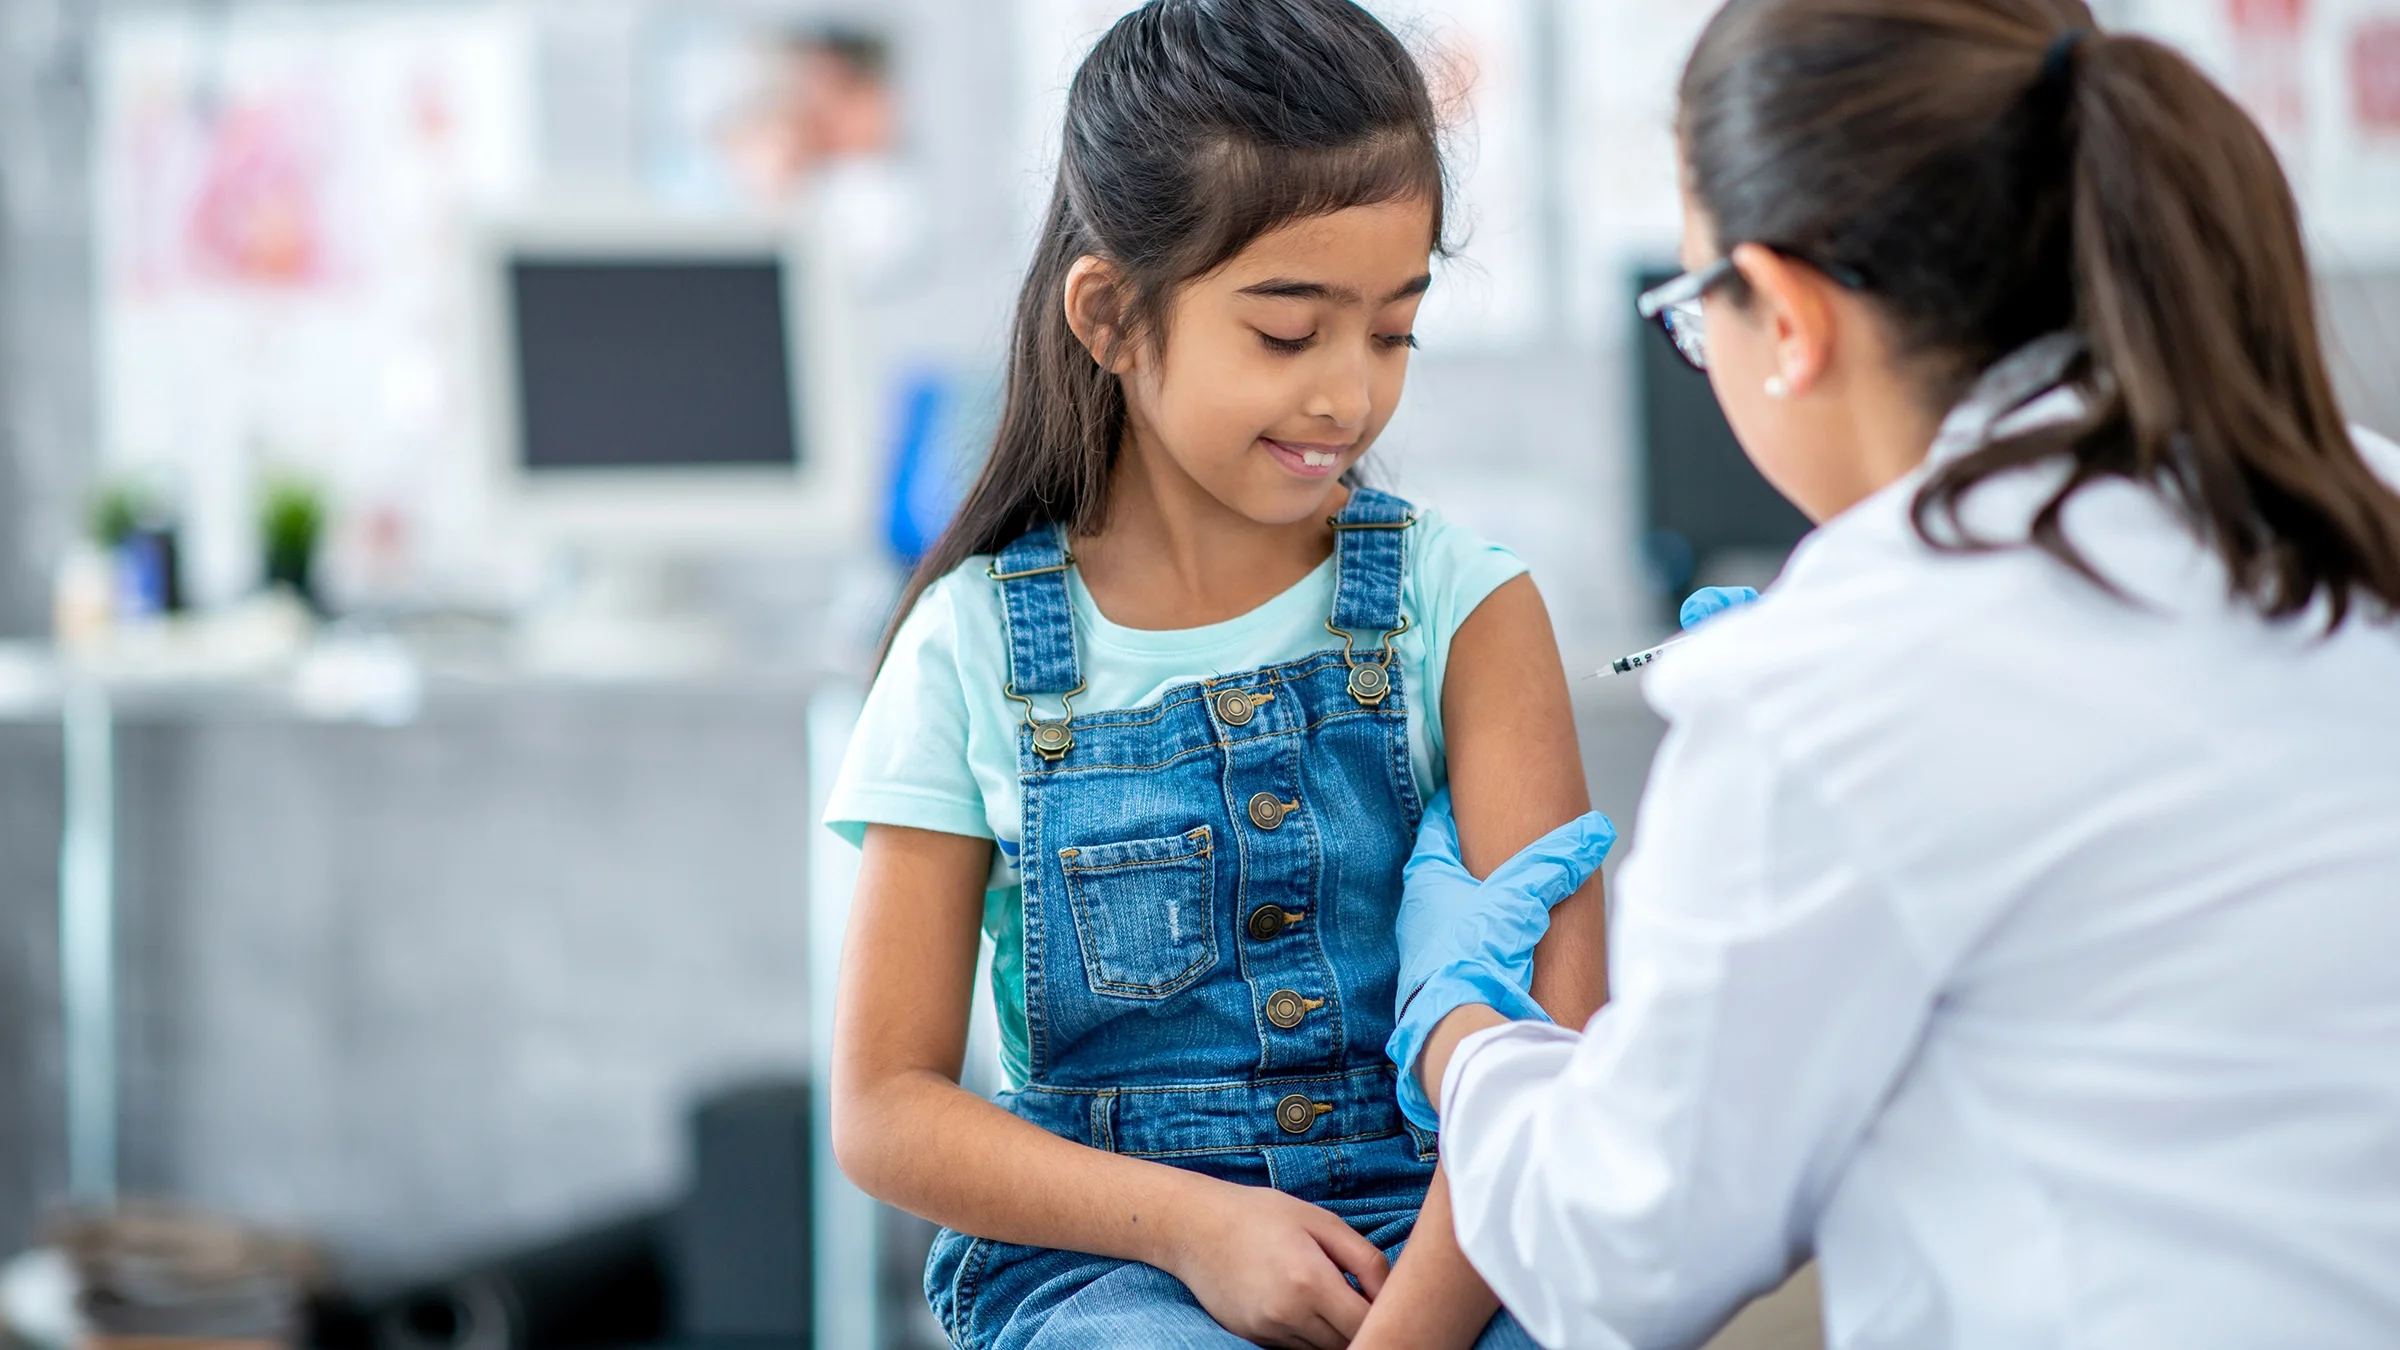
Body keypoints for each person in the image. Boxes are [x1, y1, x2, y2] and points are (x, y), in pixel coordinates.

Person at [1386, 2, 2400, 1347]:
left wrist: (1461, 1031)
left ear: (1788, 317)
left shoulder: (1838, 683)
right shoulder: (2359, 495)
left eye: (1698, 312)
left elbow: (1623, 1250)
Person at [821, 3, 1612, 1347]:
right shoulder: (970, 649)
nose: (1349, 396)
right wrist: (1198, 1224)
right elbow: (885, 1108)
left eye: (1395, 331)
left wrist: (1406, 1330)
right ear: (1113, 315)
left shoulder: (1466, 605)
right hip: (1110, 1263)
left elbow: (1548, 1072)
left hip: (1452, 1236)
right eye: (1290, 333)